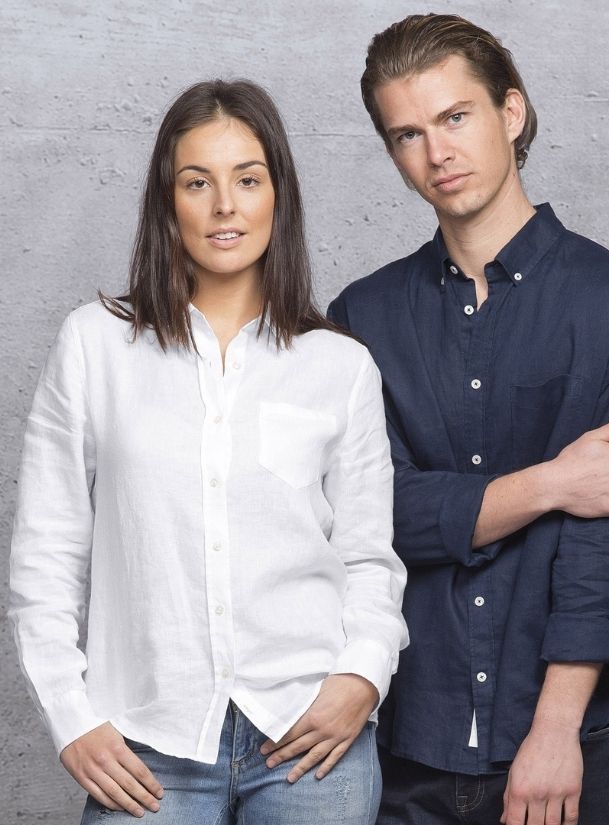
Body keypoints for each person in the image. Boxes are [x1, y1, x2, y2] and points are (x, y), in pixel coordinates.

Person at [9, 79, 408, 825]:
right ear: (168, 203)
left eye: (247, 180)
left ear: (278, 196)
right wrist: (70, 715)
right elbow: (48, 550)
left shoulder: (341, 366)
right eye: (198, 182)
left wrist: (361, 675)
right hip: (146, 746)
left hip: (310, 738)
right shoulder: (95, 346)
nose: (225, 205)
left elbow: (367, 558)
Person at [328, 13, 609, 825]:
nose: (437, 153)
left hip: (565, 743)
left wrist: (554, 730)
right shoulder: (363, 318)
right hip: (407, 743)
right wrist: (551, 483)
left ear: (510, 112)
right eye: (408, 134)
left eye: (455, 117)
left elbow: (602, 549)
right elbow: (367, 517)